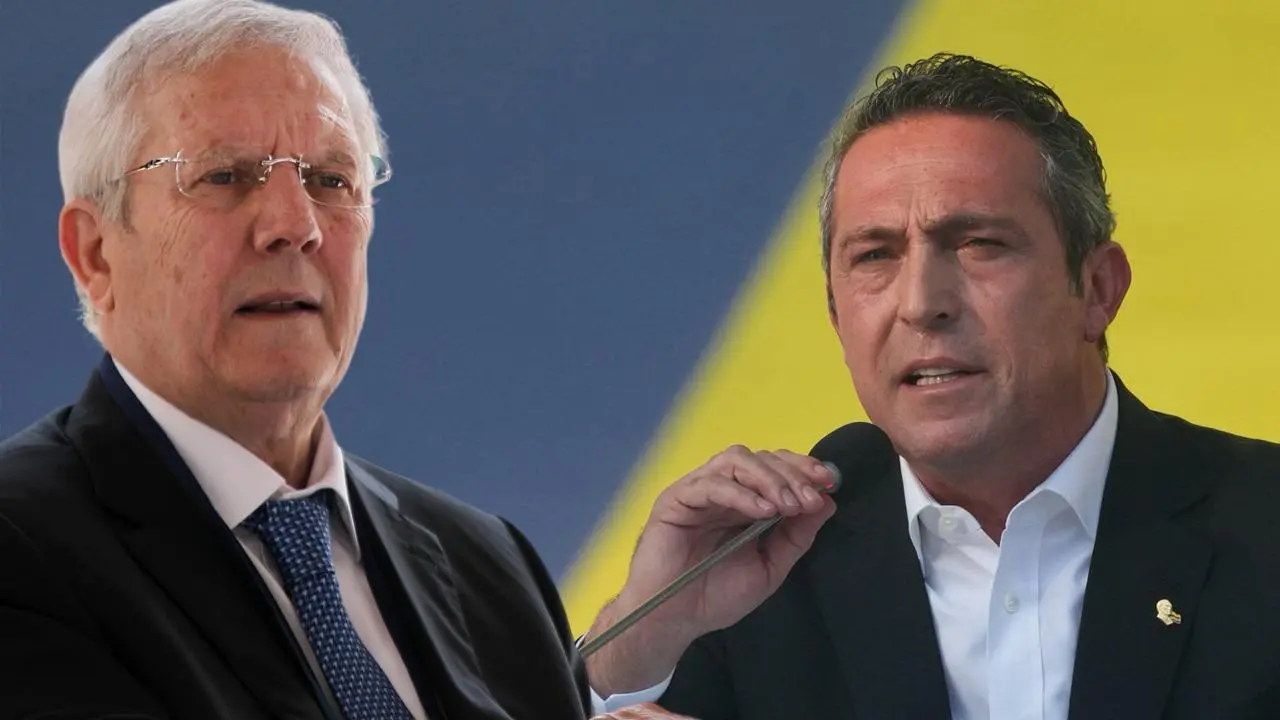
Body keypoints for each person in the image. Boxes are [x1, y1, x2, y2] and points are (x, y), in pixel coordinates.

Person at [585, 54, 1280, 719]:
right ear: (837, 318)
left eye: (978, 244)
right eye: (875, 255)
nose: (921, 303)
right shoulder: (749, 578)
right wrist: (636, 642)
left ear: (1097, 289)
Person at [0, 1, 589, 717]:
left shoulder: (491, 564)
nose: (295, 225)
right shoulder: (21, 551)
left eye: (332, 179)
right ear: (95, 254)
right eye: (224, 176)